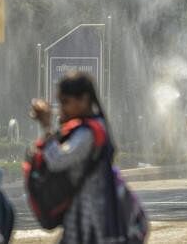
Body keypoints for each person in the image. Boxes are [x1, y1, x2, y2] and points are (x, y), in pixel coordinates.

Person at [31, 72, 120, 244]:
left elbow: (57, 160)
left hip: (87, 221)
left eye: (65, 102)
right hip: (88, 217)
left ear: (83, 100)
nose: (61, 108)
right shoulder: (93, 126)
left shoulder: (87, 133)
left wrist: (47, 126)